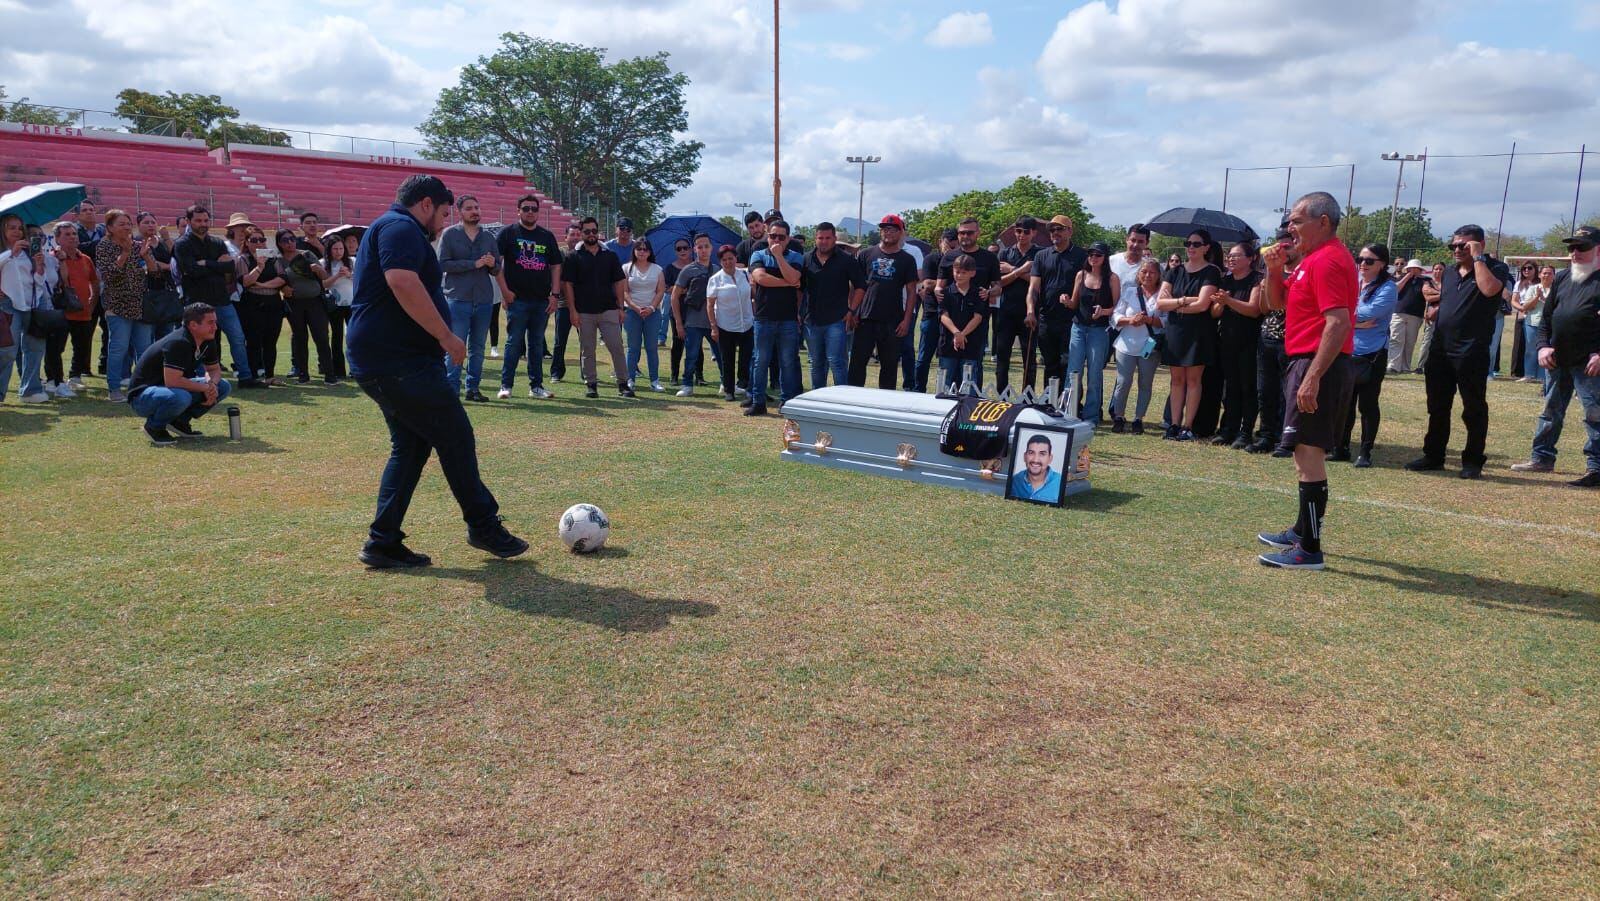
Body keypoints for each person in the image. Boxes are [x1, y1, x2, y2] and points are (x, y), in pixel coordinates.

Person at [346, 174, 528, 567]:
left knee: (411, 447)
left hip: (388, 359)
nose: (445, 221)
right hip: (397, 361)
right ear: (425, 204)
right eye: (445, 212)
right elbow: (401, 282)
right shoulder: (400, 227)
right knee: (456, 435)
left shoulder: (395, 227)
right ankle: (482, 524)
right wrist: (446, 336)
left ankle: (382, 542)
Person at [1256, 192, 1357, 570]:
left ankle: (1309, 550)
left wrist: (1312, 376)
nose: (1290, 228)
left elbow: (1339, 322)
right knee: (1303, 450)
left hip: (1318, 364)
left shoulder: (1328, 260)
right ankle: (1302, 531)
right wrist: (1273, 270)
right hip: (1305, 359)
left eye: (1297, 220)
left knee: (1308, 456)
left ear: (1323, 222)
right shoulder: (1311, 260)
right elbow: (1276, 304)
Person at [1406, 225, 1510, 479]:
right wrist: (1437, 311)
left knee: (1473, 408)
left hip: (1471, 350)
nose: (1456, 250)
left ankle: (1473, 461)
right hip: (1441, 350)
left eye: (1463, 245)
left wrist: (1477, 259)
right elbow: (1452, 300)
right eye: (1453, 245)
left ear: (1479, 245)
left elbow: (1488, 290)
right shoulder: (1450, 273)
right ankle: (1434, 455)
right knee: (1437, 405)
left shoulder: (1495, 269)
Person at [1510, 226, 1600, 486]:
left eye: (1581, 247)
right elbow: (1546, 319)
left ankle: (1596, 468)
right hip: (1558, 357)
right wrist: (1542, 346)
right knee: (1550, 410)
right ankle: (1542, 458)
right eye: (1571, 247)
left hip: (1590, 362)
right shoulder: (1562, 278)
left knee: (1594, 414)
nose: (1574, 253)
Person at [125, 302, 233, 445]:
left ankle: (179, 422)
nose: (215, 327)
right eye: (210, 323)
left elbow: (213, 370)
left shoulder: (207, 340)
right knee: (181, 397)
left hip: (170, 390)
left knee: (223, 386)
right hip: (142, 397)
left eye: (215, 322)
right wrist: (205, 388)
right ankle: (154, 427)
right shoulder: (178, 342)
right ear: (193, 325)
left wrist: (211, 385)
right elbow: (173, 381)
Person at [1334, 243, 1398, 467]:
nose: (1362, 264)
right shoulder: (1355, 282)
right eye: (1360, 259)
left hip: (1372, 355)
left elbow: (1370, 313)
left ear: (1382, 264)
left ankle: (1365, 452)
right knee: (1345, 403)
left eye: (1369, 261)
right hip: (1347, 351)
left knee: (1368, 405)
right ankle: (1341, 447)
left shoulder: (1388, 287)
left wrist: (1347, 317)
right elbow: (1339, 309)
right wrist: (1358, 324)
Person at [495, 194, 563, 400]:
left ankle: (536, 387)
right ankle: (506, 385)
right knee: (513, 343)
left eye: (534, 208)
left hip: (541, 299)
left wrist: (555, 295)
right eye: (526, 208)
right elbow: (497, 265)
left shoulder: (546, 236)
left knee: (536, 345)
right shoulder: (508, 233)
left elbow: (556, 266)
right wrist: (504, 292)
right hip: (517, 300)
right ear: (518, 211)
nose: (530, 212)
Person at [1157, 229, 1223, 440]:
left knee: (1194, 380)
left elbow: (1203, 305)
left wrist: (1176, 302)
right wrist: (1185, 301)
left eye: (1196, 244)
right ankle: (1174, 424)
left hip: (1199, 332)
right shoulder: (1174, 271)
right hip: (1176, 330)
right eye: (1188, 243)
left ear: (1206, 247)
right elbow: (1160, 303)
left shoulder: (1211, 271)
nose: (1191, 248)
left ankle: (1188, 426)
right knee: (1176, 380)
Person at [174, 205, 250, 385]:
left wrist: (206, 263)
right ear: (189, 221)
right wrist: (216, 266)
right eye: (198, 220)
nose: (203, 224)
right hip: (197, 304)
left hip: (222, 300)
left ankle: (245, 376)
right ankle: (201, 379)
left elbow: (230, 267)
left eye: (206, 220)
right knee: (198, 342)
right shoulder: (182, 244)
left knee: (237, 337)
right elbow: (190, 270)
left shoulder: (217, 242)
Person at [438, 195, 501, 400]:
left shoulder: (489, 237)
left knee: (478, 347)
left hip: (483, 300)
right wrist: (472, 264)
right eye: (469, 208)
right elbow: (443, 264)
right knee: (455, 346)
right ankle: (451, 389)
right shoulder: (449, 235)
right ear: (460, 212)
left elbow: (497, 269)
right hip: (458, 299)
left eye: (477, 207)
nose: (474, 211)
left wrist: (492, 264)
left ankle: (473, 388)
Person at [846, 215, 919, 389]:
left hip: (892, 320)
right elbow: (855, 286)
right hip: (865, 318)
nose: (888, 233)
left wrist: (907, 320)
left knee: (889, 366)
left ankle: (885, 405)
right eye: (885, 229)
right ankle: (851, 402)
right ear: (880, 231)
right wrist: (853, 311)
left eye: (893, 229)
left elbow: (911, 292)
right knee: (857, 363)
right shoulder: (866, 254)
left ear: (901, 233)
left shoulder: (907, 260)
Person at [564, 217, 633, 398]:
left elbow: (619, 281)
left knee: (617, 347)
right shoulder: (573, 256)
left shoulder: (609, 255)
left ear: (598, 232)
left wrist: (620, 307)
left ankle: (623, 384)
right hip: (584, 311)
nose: (591, 234)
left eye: (594, 231)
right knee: (587, 349)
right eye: (587, 231)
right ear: (581, 234)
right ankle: (591, 384)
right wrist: (572, 310)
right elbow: (568, 285)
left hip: (609, 309)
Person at [91, 210, 152, 403]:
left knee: (144, 349)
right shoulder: (104, 246)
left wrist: (146, 256)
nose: (127, 227)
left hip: (139, 303)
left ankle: (143, 387)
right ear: (109, 227)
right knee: (119, 348)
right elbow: (108, 276)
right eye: (121, 224)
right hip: (116, 305)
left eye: (128, 223)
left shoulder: (137, 245)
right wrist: (124, 253)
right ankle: (114, 388)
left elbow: (153, 272)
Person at [747, 219, 805, 415]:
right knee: (760, 361)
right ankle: (758, 401)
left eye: (781, 237)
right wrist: (788, 283)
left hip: (788, 318)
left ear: (788, 238)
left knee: (787, 361)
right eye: (773, 236)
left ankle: (786, 401)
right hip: (764, 317)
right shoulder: (758, 254)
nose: (776, 240)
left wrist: (779, 257)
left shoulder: (797, 256)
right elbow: (760, 278)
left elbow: (795, 277)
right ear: (767, 235)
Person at [1249, 223, 1297, 455]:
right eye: (1280, 244)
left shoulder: (1302, 272)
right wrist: (1268, 282)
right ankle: (1266, 435)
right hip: (1268, 337)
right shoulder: (1271, 271)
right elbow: (1265, 308)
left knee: (1288, 393)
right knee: (1265, 391)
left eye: (1288, 244)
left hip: (1293, 340)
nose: (1283, 250)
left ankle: (1285, 438)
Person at [1026, 215, 1088, 394]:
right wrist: (1030, 310)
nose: (1055, 233)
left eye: (1059, 229)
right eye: (1052, 230)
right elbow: (1033, 288)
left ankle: (1071, 404)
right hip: (1046, 318)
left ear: (1070, 231)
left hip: (1073, 319)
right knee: (1050, 363)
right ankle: (1050, 403)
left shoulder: (1081, 256)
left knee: (1068, 363)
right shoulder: (1042, 255)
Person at [1212, 242, 1264, 448]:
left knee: (1248, 388)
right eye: (1229, 256)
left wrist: (1228, 301)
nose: (1231, 259)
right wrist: (1219, 303)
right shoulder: (1225, 280)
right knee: (1230, 388)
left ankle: (1245, 432)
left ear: (1250, 258)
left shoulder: (1258, 280)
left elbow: (1253, 310)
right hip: (1227, 340)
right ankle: (1228, 429)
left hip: (1249, 342)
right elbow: (1214, 312)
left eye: (1236, 256)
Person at [0, 216, 57, 404]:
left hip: (32, 304)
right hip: (8, 305)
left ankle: (30, 390)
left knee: (35, 347)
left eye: (19, 228)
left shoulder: (28, 252)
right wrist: (11, 254)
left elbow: (37, 282)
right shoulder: (6, 253)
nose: (17, 232)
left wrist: (39, 268)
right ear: (3, 231)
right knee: (8, 350)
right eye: (11, 228)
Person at [1064, 241, 1119, 422]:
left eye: (1098, 255)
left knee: (1094, 373)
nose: (1093, 258)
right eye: (1091, 254)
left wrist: (1103, 311)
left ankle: (1092, 416)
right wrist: (1065, 300)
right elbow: (1073, 303)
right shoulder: (1081, 275)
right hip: (1078, 327)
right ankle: (1068, 411)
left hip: (1099, 330)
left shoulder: (1112, 278)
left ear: (1105, 258)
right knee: (1073, 371)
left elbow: (1117, 308)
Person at [800, 222, 858, 390]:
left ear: (834, 239)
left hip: (836, 320)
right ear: (815, 239)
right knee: (816, 363)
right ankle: (818, 400)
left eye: (827, 238)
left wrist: (851, 310)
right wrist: (798, 311)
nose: (824, 241)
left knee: (836, 362)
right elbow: (800, 288)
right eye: (820, 238)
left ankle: (842, 401)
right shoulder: (806, 259)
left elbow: (861, 286)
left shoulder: (846, 260)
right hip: (812, 320)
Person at [1110, 258, 1165, 433]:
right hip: (1126, 345)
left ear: (1158, 275)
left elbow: (1166, 321)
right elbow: (1115, 316)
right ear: (1138, 274)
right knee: (1123, 382)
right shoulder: (1130, 292)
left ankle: (1138, 419)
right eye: (1144, 272)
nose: (1147, 275)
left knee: (1145, 383)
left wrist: (1149, 320)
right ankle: (1118, 416)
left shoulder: (1163, 295)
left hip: (1149, 346)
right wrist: (1131, 321)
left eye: (1152, 272)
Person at [273, 228, 335, 385]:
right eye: (285, 240)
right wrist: (282, 288)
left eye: (292, 239)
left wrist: (318, 269)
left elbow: (325, 277)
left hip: (315, 302)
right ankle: (303, 374)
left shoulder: (307, 254)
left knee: (321, 337)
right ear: (279, 243)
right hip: (295, 303)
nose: (290, 243)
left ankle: (329, 375)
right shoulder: (277, 260)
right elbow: (276, 280)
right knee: (300, 338)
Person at [995, 217, 1042, 392]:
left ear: (1034, 233)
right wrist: (1022, 270)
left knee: (1029, 358)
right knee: (1002, 358)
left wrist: (1012, 270)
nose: (1021, 235)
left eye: (1026, 232)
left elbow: (1038, 283)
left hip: (1030, 312)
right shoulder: (1005, 253)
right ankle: (1002, 396)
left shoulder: (1040, 254)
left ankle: (1027, 396)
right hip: (1006, 312)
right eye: (1018, 231)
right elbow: (999, 283)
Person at [49, 222, 96, 396]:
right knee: (56, 348)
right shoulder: (51, 258)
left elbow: (94, 282)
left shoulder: (85, 259)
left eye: (74, 234)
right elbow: (60, 281)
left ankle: (75, 377)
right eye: (67, 234)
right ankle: (53, 380)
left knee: (82, 347)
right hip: (61, 311)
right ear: (57, 238)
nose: (72, 237)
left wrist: (92, 302)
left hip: (83, 312)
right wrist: (61, 260)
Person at [237, 228, 288, 386]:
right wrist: (259, 267)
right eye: (254, 240)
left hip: (273, 303)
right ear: (246, 242)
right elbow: (245, 282)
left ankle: (270, 375)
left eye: (262, 239)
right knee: (253, 341)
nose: (259, 243)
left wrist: (260, 284)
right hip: (252, 303)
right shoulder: (243, 259)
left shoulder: (274, 259)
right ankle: (253, 376)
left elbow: (282, 279)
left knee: (270, 341)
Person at [707, 244, 754, 402]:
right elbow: (709, 304)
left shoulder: (745, 275)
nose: (728, 262)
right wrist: (713, 327)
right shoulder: (715, 279)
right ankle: (729, 389)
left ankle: (745, 385)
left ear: (736, 259)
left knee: (747, 357)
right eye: (724, 259)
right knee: (727, 359)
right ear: (720, 261)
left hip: (746, 323)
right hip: (725, 324)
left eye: (731, 258)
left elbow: (753, 294)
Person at [672, 233, 717, 396]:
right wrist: (678, 322)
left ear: (711, 248)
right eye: (700, 247)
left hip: (715, 323)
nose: (703, 250)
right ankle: (687, 384)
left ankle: (726, 384)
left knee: (721, 355)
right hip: (693, 321)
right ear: (695, 249)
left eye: (706, 246)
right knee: (691, 355)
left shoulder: (718, 270)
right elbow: (674, 296)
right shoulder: (687, 270)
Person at [937, 253, 989, 391]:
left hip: (971, 344)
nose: (958, 275)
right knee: (945, 383)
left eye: (963, 272)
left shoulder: (979, 293)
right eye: (956, 272)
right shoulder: (945, 292)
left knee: (969, 383)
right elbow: (943, 315)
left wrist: (963, 334)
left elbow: (978, 317)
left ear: (972, 273)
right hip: (948, 343)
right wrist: (956, 333)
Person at [621, 240, 666, 392]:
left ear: (649, 252)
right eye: (639, 249)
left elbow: (660, 291)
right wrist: (635, 307)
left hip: (652, 313)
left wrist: (652, 308)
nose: (642, 252)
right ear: (634, 251)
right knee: (633, 348)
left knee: (651, 347)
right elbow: (624, 291)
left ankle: (654, 381)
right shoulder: (627, 268)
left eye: (645, 249)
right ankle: (630, 379)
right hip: (632, 312)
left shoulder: (657, 269)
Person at [548, 222, 585, 382]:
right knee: (559, 340)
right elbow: (559, 278)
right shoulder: (560, 253)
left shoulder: (586, 253)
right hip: (563, 304)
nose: (575, 238)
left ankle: (587, 373)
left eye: (578, 235)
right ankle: (556, 372)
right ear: (566, 237)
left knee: (585, 341)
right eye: (572, 235)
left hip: (584, 304)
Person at [1511, 264, 1552, 387]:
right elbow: (1525, 307)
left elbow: (1557, 307)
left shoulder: (1557, 289)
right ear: (1539, 275)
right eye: (1544, 273)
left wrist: (1544, 299)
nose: (1546, 275)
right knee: (1530, 350)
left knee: (1545, 350)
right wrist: (1537, 297)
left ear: (1554, 275)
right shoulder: (1533, 288)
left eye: (1549, 273)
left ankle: (1542, 376)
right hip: (1532, 323)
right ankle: (1529, 374)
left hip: (1549, 325)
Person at [1387, 259, 1429, 373]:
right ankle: (1393, 366)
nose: (1413, 270)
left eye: (1416, 268)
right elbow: (1395, 289)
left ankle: (1405, 367)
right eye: (1411, 268)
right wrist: (1407, 277)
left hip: (1416, 315)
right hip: (1398, 312)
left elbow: (1429, 292)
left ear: (1420, 270)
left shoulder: (1426, 280)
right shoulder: (1399, 278)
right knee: (1396, 339)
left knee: (1410, 342)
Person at [321, 236, 354, 381]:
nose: (338, 252)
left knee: (354, 337)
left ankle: (355, 369)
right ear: (329, 250)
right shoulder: (323, 264)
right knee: (337, 337)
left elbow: (361, 279)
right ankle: (339, 371)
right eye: (335, 249)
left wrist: (349, 274)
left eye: (341, 248)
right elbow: (324, 285)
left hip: (353, 304)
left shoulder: (353, 261)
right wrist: (337, 276)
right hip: (335, 305)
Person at [1009, 434, 1061, 501]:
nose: (1035, 460)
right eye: (1031, 453)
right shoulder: (1014, 481)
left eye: (1042, 454)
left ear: (1050, 458)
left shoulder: (1060, 482)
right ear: (1025, 456)